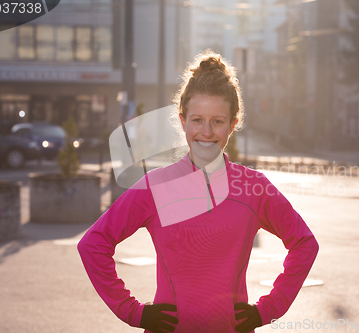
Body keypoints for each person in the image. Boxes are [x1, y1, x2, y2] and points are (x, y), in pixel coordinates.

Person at [77, 51, 319, 333]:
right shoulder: (155, 186)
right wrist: (133, 313)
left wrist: (268, 309)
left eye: (217, 121)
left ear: (233, 123)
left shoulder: (254, 187)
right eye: (197, 120)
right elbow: (93, 244)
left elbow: (304, 243)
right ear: (182, 122)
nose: (206, 132)